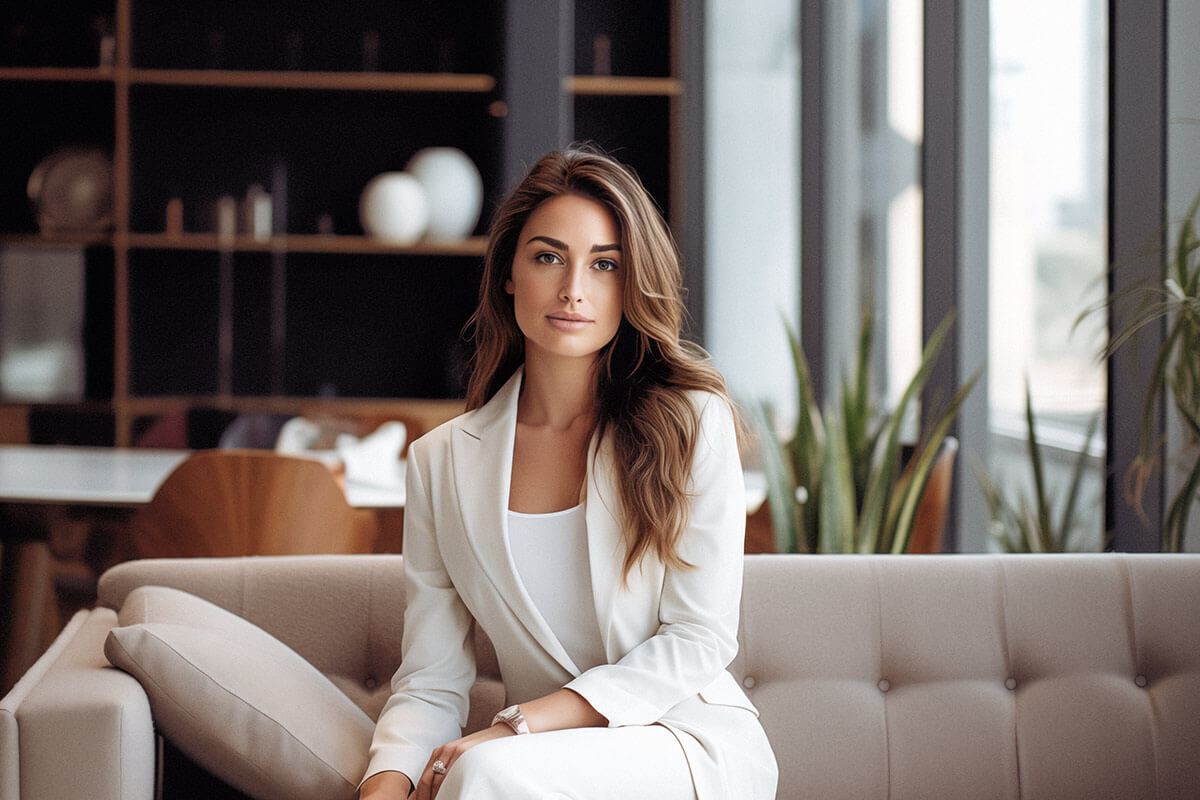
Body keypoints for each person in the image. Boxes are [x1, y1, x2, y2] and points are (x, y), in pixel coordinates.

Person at [359, 147, 778, 800]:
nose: (573, 288)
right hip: (539, 768)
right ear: (509, 273)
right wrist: (382, 785)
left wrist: (518, 725)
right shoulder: (441, 462)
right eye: (549, 256)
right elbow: (430, 679)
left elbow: (698, 638)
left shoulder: (691, 423)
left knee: (480, 771)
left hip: (681, 740)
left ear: (630, 282)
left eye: (604, 264)